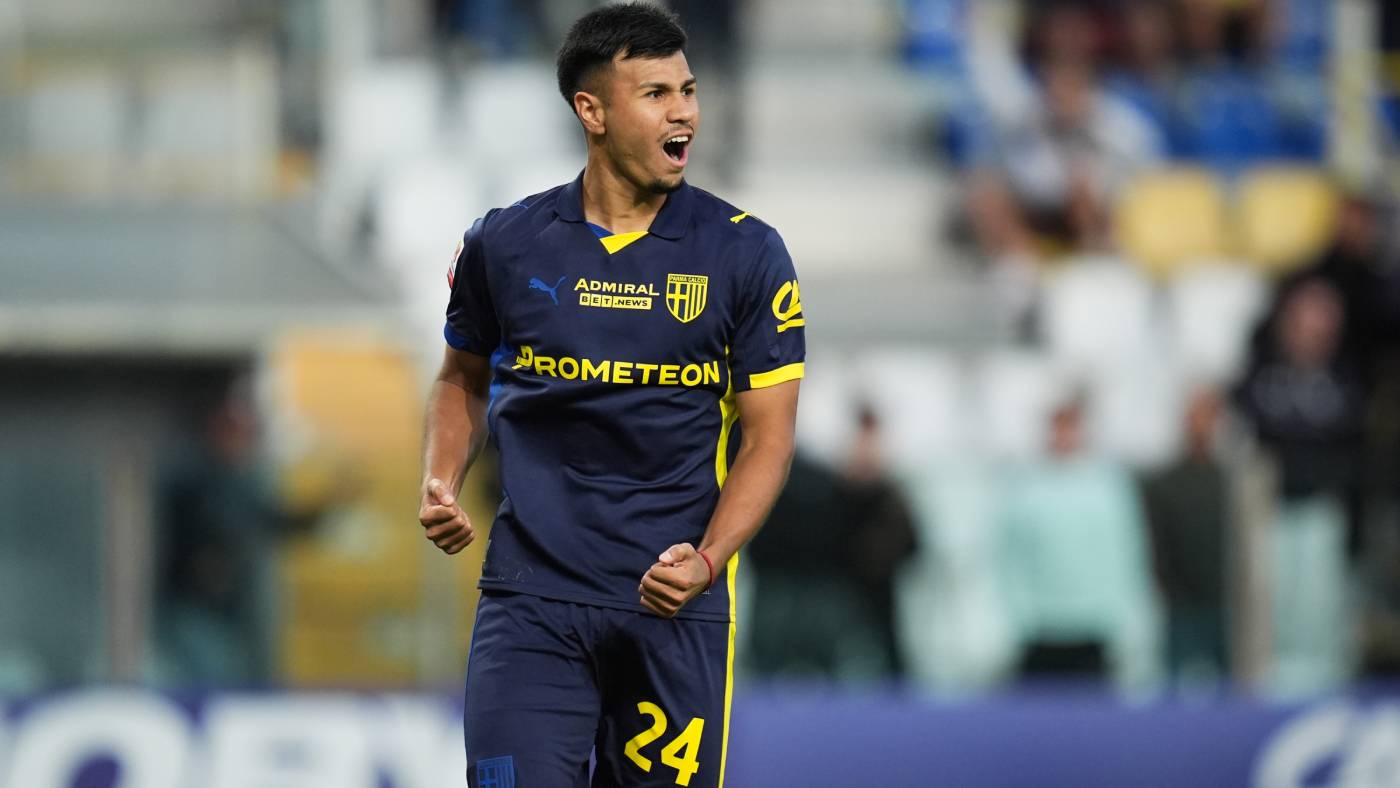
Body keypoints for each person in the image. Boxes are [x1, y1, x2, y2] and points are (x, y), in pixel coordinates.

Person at [417, 5, 806, 786]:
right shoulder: (506, 244)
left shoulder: (746, 253)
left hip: (673, 604)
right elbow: (462, 376)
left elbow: (769, 439)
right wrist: (440, 478)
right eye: (656, 93)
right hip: (531, 602)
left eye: (688, 90)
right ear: (591, 111)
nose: (684, 111)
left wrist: (709, 560)